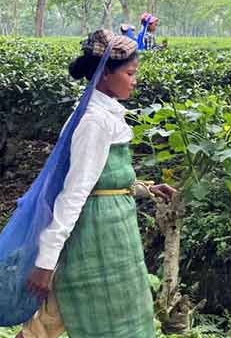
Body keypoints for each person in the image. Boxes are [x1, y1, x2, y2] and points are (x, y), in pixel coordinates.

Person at [18, 30, 175, 338]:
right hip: (95, 240)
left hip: (114, 239)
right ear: (105, 74)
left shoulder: (105, 114)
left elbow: (104, 179)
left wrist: (145, 188)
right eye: (129, 73)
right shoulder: (94, 121)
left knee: (49, 322)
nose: (135, 80)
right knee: (71, 319)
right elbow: (74, 193)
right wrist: (46, 261)